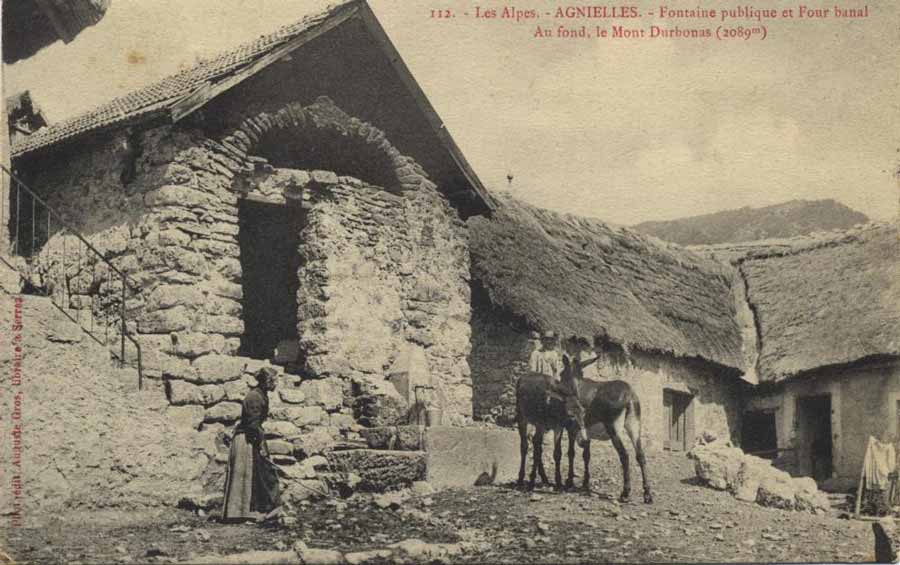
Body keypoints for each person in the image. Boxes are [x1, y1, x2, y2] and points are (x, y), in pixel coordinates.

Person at [222, 367, 282, 522]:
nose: (276, 383)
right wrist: (260, 444)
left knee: (263, 472)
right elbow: (252, 424)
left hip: (253, 436)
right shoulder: (255, 397)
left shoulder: (262, 395)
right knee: (248, 475)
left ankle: (262, 510)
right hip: (246, 439)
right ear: (267, 381)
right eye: (274, 380)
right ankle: (242, 513)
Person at [529, 330, 563, 405]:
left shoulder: (555, 354)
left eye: (551, 339)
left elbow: (559, 370)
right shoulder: (536, 353)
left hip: (553, 383)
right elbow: (533, 371)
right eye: (546, 339)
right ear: (542, 341)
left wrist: (555, 371)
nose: (549, 342)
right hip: (540, 383)